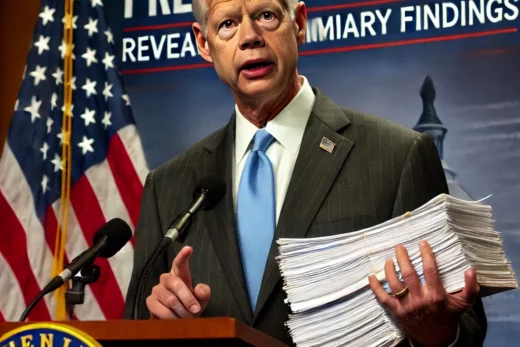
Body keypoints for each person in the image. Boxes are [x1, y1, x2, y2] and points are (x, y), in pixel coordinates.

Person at [124, 0, 487, 345]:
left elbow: (463, 325)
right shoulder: (167, 185)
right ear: (204, 43)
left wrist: (434, 333)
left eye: (265, 15)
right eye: (228, 24)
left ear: (298, 23)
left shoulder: (399, 156)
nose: (249, 36)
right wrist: (162, 326)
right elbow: (138, 329)